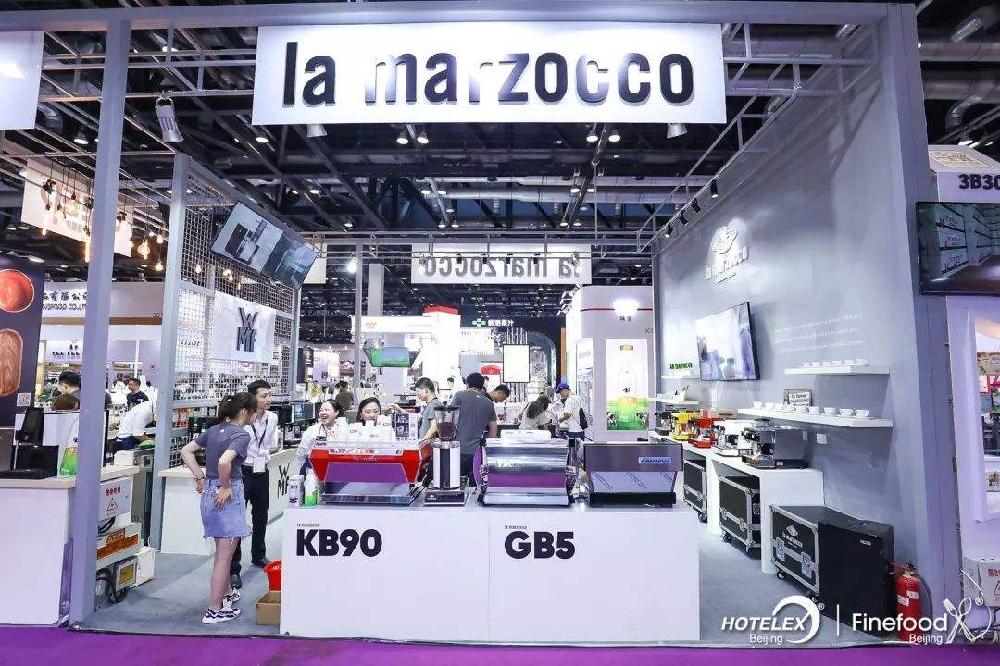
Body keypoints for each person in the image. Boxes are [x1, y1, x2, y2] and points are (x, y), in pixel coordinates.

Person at [180, 392, 256, 624]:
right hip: (227, 493)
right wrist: (225, 487)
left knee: (224, 551)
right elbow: (225, 461)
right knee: (224, 556)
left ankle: (225, 595)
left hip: (209, 491)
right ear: (244, 412)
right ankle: (214, 609)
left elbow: (185, 451)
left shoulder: (213, 430)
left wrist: (200, 477)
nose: (254, 416)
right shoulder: (241, 434)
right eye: (253, 412)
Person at [230, 379, 278, 589]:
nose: (268, 399)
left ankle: (259, 555)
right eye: (264, 396)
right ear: (252, 398)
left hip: (261, 471)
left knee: (261, 515)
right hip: (242, 471)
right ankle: (233, 569)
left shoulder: (273, 418)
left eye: (269, 395)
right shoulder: (241, 419)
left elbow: (268, 444)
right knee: (237, 519)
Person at [424, 372, 496, 481]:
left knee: (454, 482)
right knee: (474, 485)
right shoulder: (489, 403)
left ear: (467, 384)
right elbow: (493, 430)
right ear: (482, 387)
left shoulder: (459, 395)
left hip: (457, 449)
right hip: (476, 453)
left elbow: (448, 416)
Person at [295, 399, 342, 474]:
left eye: (327, 410)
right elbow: (301, 453)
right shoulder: (312, 430)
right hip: (313, 471)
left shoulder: (343, 429)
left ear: (336, 412)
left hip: (337, 470)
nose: (323, 412)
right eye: (321, 410)